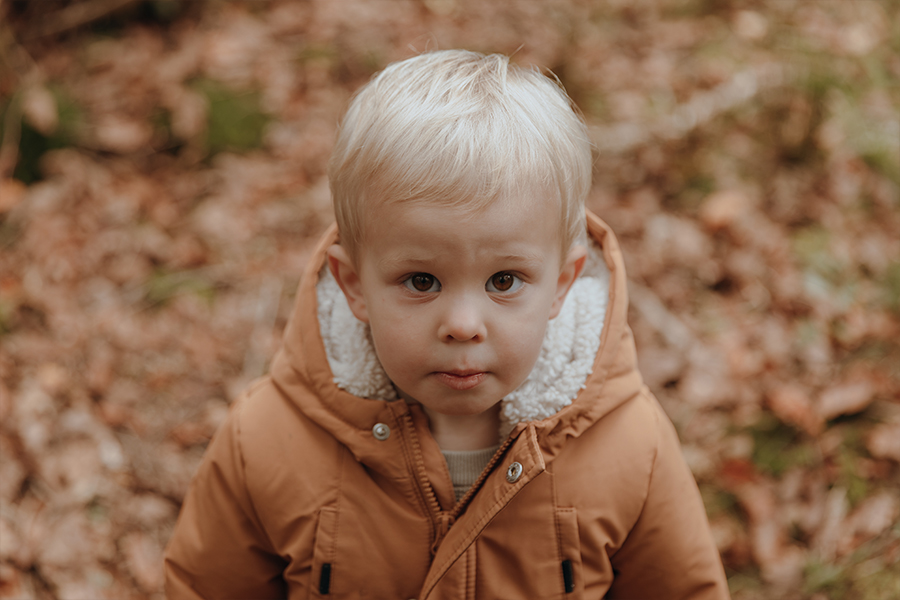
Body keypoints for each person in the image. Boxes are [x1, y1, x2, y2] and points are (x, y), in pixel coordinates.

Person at [164, 49, 730, 599]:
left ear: (561, 283)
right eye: (421, 281)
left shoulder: (630, 445)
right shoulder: (267, 442)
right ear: (354, 284)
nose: (462, 325)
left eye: (504, 281)